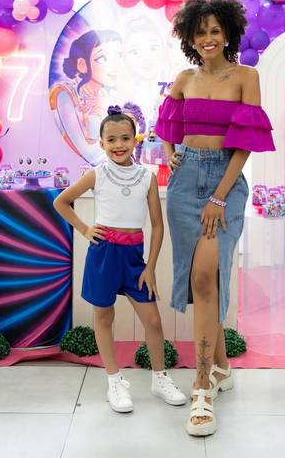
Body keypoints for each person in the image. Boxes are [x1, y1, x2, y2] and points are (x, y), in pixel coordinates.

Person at [155, 0, 276, 436]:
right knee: (200, 282)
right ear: (190, 38)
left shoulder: (245, 76)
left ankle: (202, 387)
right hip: (185, 182)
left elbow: (244, 144)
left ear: (228, 34)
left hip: (224, 182)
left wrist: (219, 198)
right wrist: (171, 155)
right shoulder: (184, 78)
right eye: (200, 32)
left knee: (207, 276)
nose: (208, 39)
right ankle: (222, 367)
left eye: (214, 31)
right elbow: (167, 123)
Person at [54, 106, 187, 413]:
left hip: (134, 258)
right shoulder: (97, 174)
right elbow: (61, 202)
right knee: (104, 317)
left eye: (125, 138)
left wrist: (150, 267)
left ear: (135, 139)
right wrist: (85, 229)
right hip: (103, 254)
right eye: (111, 139)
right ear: (101, 143)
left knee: (152, 320)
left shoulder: (146, 177)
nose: (119, 145)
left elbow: (157, 225)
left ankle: (160, 378)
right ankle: (114, 380)